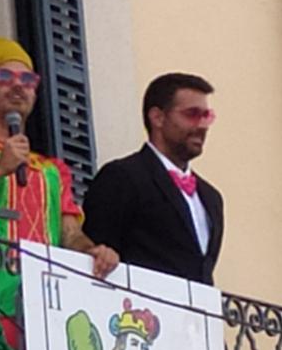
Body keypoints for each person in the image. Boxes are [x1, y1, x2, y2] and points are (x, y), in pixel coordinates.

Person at [0, 18, 119, 333]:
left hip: (46, 313)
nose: (18, 86)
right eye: (4, 76)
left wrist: (92, 250)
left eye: (28, 79)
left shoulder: (52, 169)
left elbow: (70, 233)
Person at [81, 73, 224, 284]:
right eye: (192, 114)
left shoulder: (211, 197)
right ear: (157, 117)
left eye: (206, 116)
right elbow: (95, 256)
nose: (202, 125)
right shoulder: (122, 177)